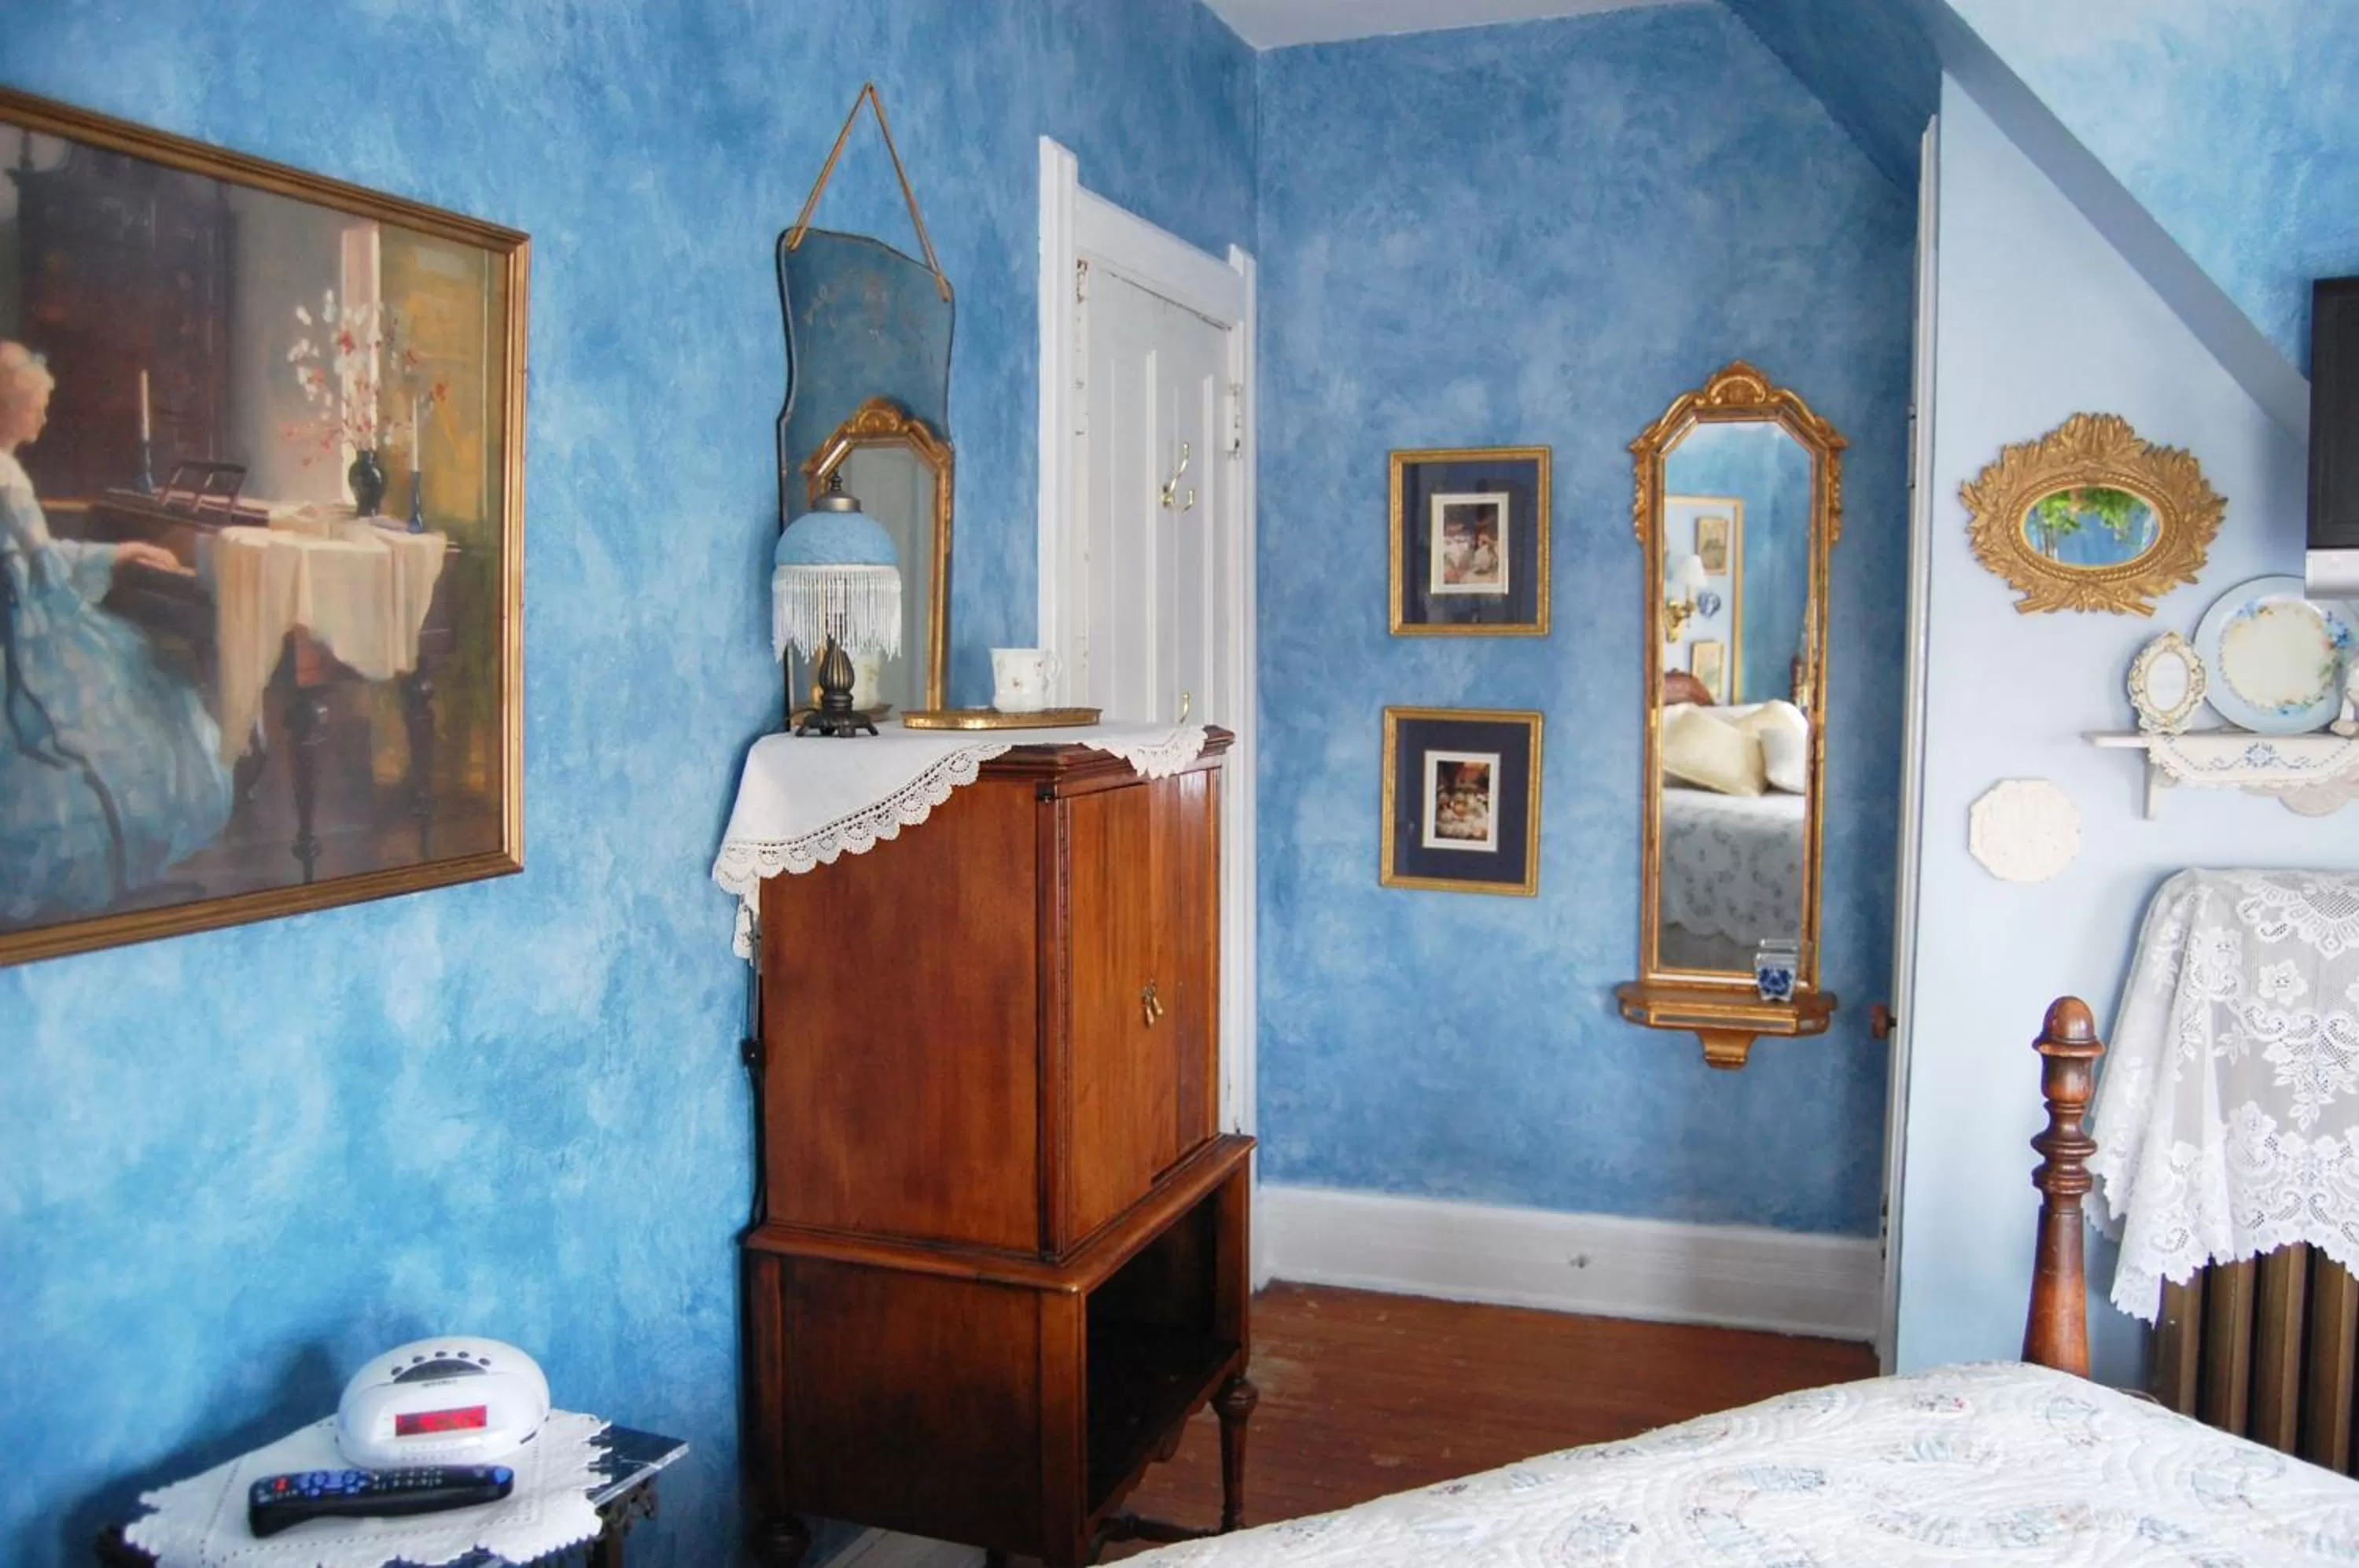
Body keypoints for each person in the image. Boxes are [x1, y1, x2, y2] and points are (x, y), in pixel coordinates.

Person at [0, 342, 230, 924]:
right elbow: (46, 581)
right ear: (10, 406)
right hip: (26, 645)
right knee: (158, 686)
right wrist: (116, 558)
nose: (45, 417)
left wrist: (113, 554)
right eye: (37, 405)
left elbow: (38, 559)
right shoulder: (7, 480)